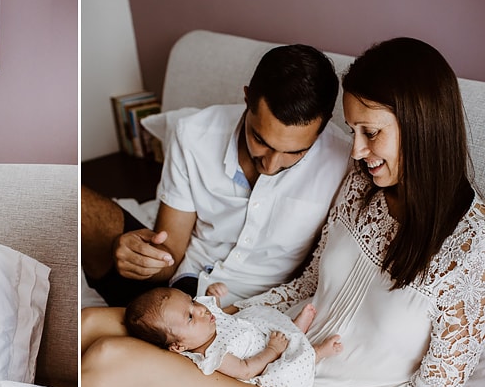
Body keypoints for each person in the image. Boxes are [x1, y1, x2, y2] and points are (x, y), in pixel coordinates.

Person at [81, 37, 485, 387]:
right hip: (274, 348)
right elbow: (308, 284)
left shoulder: (471, 249)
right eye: (352, 131)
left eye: (370, 133)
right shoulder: (362, 186)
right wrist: (224, 316)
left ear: (422, 127)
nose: (355, 151)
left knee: (113, 360)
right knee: (92, 325)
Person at [80, 44, 350, 309]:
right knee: (76, 201)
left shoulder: (343, 162)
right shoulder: (193, 134)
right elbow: (170, 252)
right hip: (176, 293)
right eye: (260, 140)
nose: (271, 164)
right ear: (246, 98)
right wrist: (139, 259)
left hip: (251, 310)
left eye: (295, 152)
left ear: (324, 127)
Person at [123, 287, 342, 387]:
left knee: (259, 317)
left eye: (191, 301)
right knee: (287, 368)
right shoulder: (213, 355)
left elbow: (216, 313)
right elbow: (246, 368)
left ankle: (294, 329)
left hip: (258, 332)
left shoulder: (205, 324)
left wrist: (214, 297)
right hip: (265, 359)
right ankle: (315, 353)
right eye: (189, 316)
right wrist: (272, 351)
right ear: (178, 346)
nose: (199, 309)